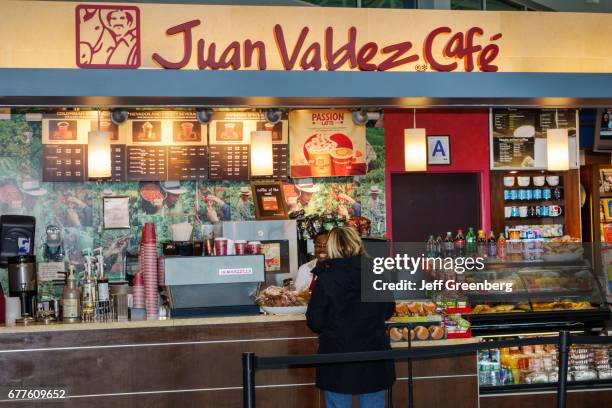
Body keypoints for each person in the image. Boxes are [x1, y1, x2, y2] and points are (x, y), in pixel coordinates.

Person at [306, 227, 395, 408]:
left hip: (337, 357)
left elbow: (315, 322)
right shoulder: (375, 271)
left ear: (332, 247)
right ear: (356, 243)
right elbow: (388, 310)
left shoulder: (326, 277)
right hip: (373, 355)